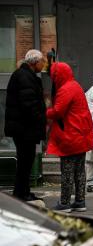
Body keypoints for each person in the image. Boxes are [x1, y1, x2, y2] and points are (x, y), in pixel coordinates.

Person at [47, 62, 93, 212]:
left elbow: (58, 111)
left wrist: (44, 112)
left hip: (70, 135)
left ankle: (65, 203)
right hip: (81, 134)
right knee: (79, 170)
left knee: (67, 170)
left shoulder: (65, 89)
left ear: (57, 75)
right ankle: (80, 201)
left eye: (53, 76)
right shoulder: (75, 85)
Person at [5, 49, 47, 201]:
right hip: (24, 129)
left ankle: (22, 192)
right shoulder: (25, 77)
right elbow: (29, 105)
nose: (44, 64)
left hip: (23, 128)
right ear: (35, 62)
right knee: (25, 162)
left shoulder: (24, 75)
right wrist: (41, 119)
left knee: (25, 161)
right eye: (42, 61)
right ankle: (22, 194)